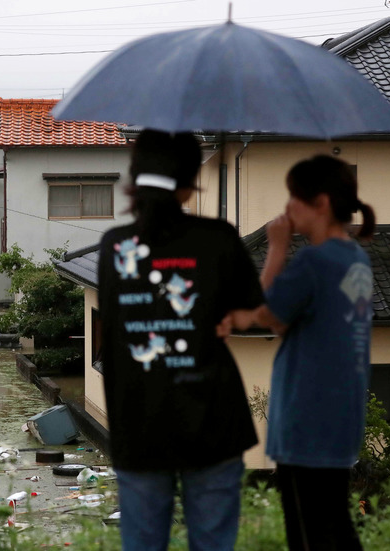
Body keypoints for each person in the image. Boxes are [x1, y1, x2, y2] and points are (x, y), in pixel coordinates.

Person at [97, 129, 265, 551]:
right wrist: (230, 317)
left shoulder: (115, 246)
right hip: (212, 419)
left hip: (138, 423)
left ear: (134, 181)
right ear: (190, 184)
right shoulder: (219, 238)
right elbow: (254, 313)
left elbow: (115, 335)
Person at [249, 154, 375, 551]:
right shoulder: (355, 258)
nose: (286, 208)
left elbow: (268, 316)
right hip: (340, 420)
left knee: (309, 535)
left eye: (293, 198)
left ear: (320, 203)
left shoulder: (313, 260)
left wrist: (276, 249)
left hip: (306, 421)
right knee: (334, 526)